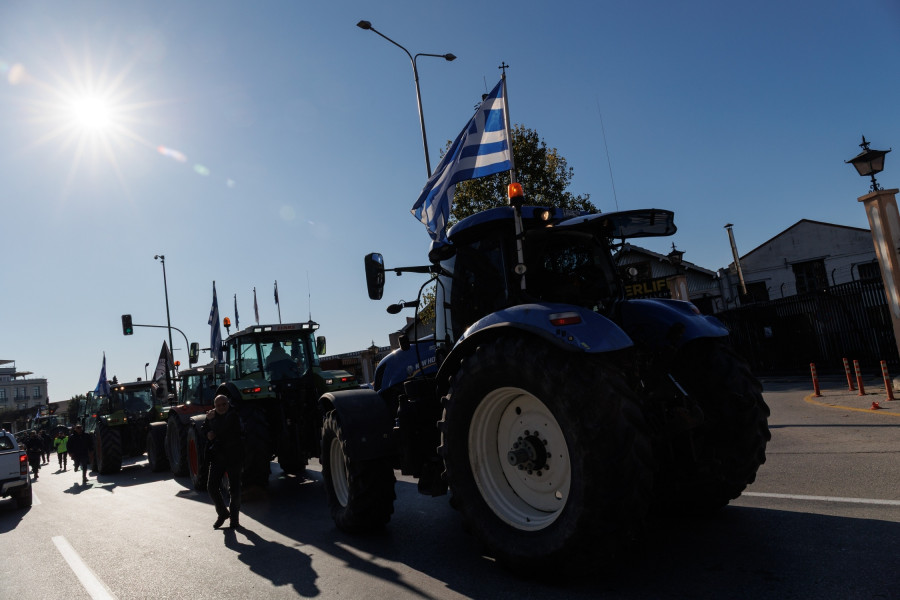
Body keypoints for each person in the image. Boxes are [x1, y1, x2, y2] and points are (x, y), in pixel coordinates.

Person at [201, 395, 244, 529]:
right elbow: (204, 428)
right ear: (215, 406)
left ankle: (234, 520)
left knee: (234, 489)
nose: (221, 407)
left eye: (224, 404)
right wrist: (207, 433)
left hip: (233, 456)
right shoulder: (212, 415)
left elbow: (223, 430)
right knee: (211, 487)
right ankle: (223, 513)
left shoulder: (233, 415)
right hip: (217, 457)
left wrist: (212, 421)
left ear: (228, 403)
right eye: (218, 405)